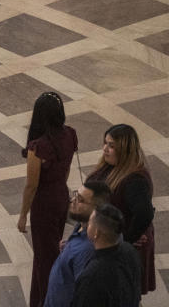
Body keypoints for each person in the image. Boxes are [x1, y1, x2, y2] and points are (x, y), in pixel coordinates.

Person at [16, 92, 78, 307]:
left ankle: (47, 301)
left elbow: (31, 185)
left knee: (45, 259)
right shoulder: (70, 134)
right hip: (61, 194)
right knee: (47, 254)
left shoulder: (38, 147)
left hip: (44, 204)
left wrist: (23, 215)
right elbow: (67, 167)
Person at [86, 124, 156, 297]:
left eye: (111, 146)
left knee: (123, 294)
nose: (105, 149)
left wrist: (125, 239)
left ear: (124, 150)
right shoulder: (110, 167)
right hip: (106, 240)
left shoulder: (135, 179)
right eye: (105, 143)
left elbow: (144, 213)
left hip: (120, 250)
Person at [44, 181, 112, 307]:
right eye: (76, 194)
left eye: (80, 200)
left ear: (96, 209)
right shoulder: (81, 225)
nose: (73, 200)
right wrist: (69, 248)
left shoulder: (88, 249)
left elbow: (84, 295)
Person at [72, 204, 142, 307]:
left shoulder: (92, 276)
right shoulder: (130, 251)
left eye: (90, 222)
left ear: (96, 232)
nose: (87, 224)